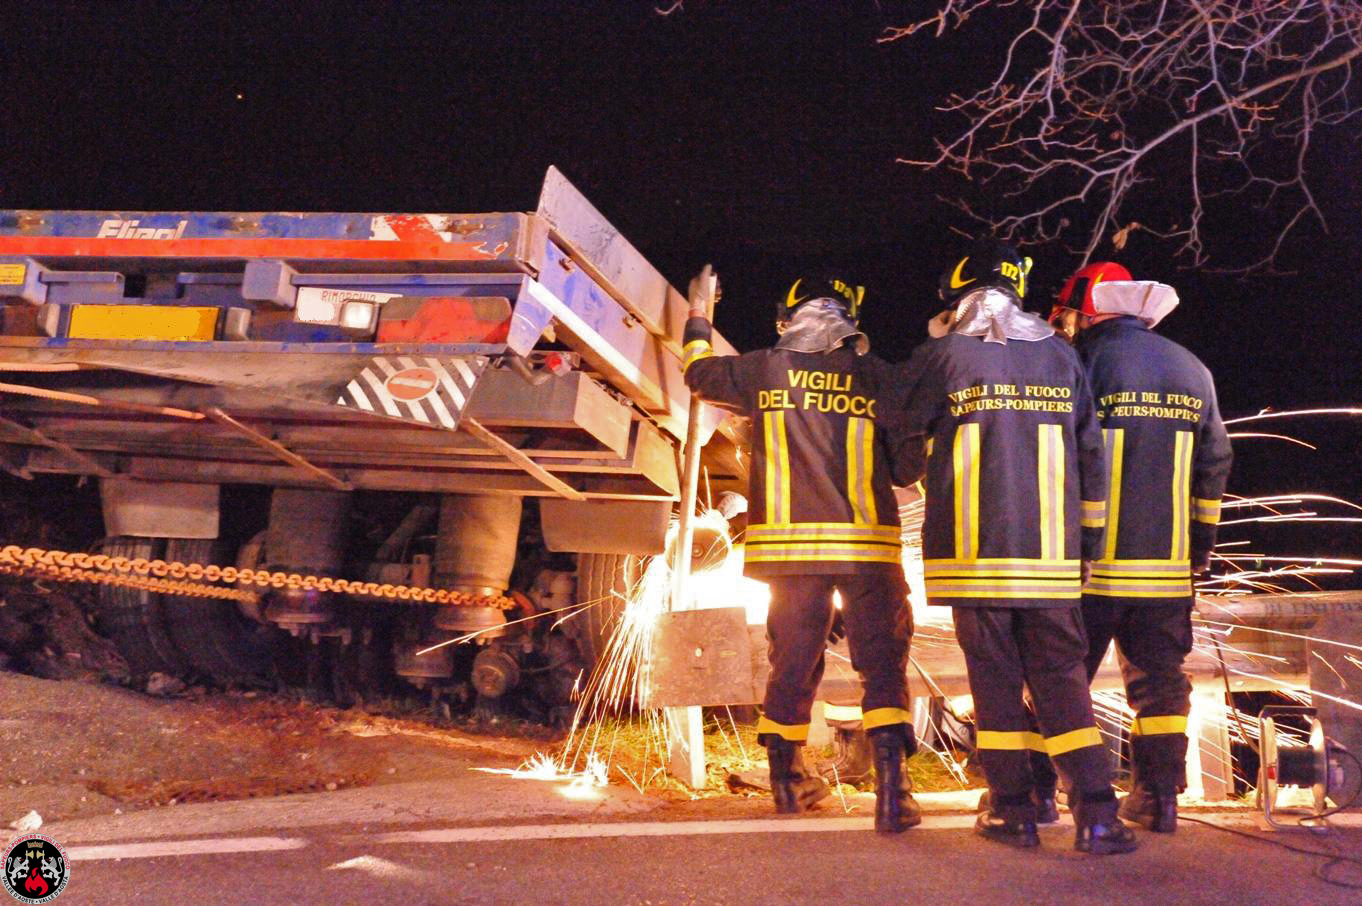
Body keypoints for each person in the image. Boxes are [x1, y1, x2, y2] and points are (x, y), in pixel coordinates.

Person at [895, 241, 1137, 854]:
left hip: (972, 561)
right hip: (1052, 560)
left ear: (956, 296)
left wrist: (922, 471)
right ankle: (1098, 817)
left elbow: (899, 445)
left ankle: (1014, 813)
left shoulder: (941, 356)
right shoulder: (1061, 354)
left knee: (996, 687)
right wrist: (1086, 545)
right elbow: (1091, 456)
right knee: (1063, 685)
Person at [683, 272, 923, 833]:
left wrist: (698, 316)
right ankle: (894, 794)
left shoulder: (763, 369)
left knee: (792, 662)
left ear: (787, 317)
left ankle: (788, 782)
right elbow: (907, 469)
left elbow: (698, 374)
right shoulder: (877, 375)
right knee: (882, 665)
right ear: (850, 317)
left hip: (789, 553)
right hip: (867, 551)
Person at [1050, 262, 1233, 832]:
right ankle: (1159, 797)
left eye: (1069, 315)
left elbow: (1060, 451)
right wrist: (1200, 547)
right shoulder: (1191, 367)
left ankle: (1041, 794)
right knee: (1161, 685)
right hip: (1166, 568)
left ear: (1089, 310)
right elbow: (1215, 463)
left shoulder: (1081, 363)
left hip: (1087, 567)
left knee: (1060, 679)